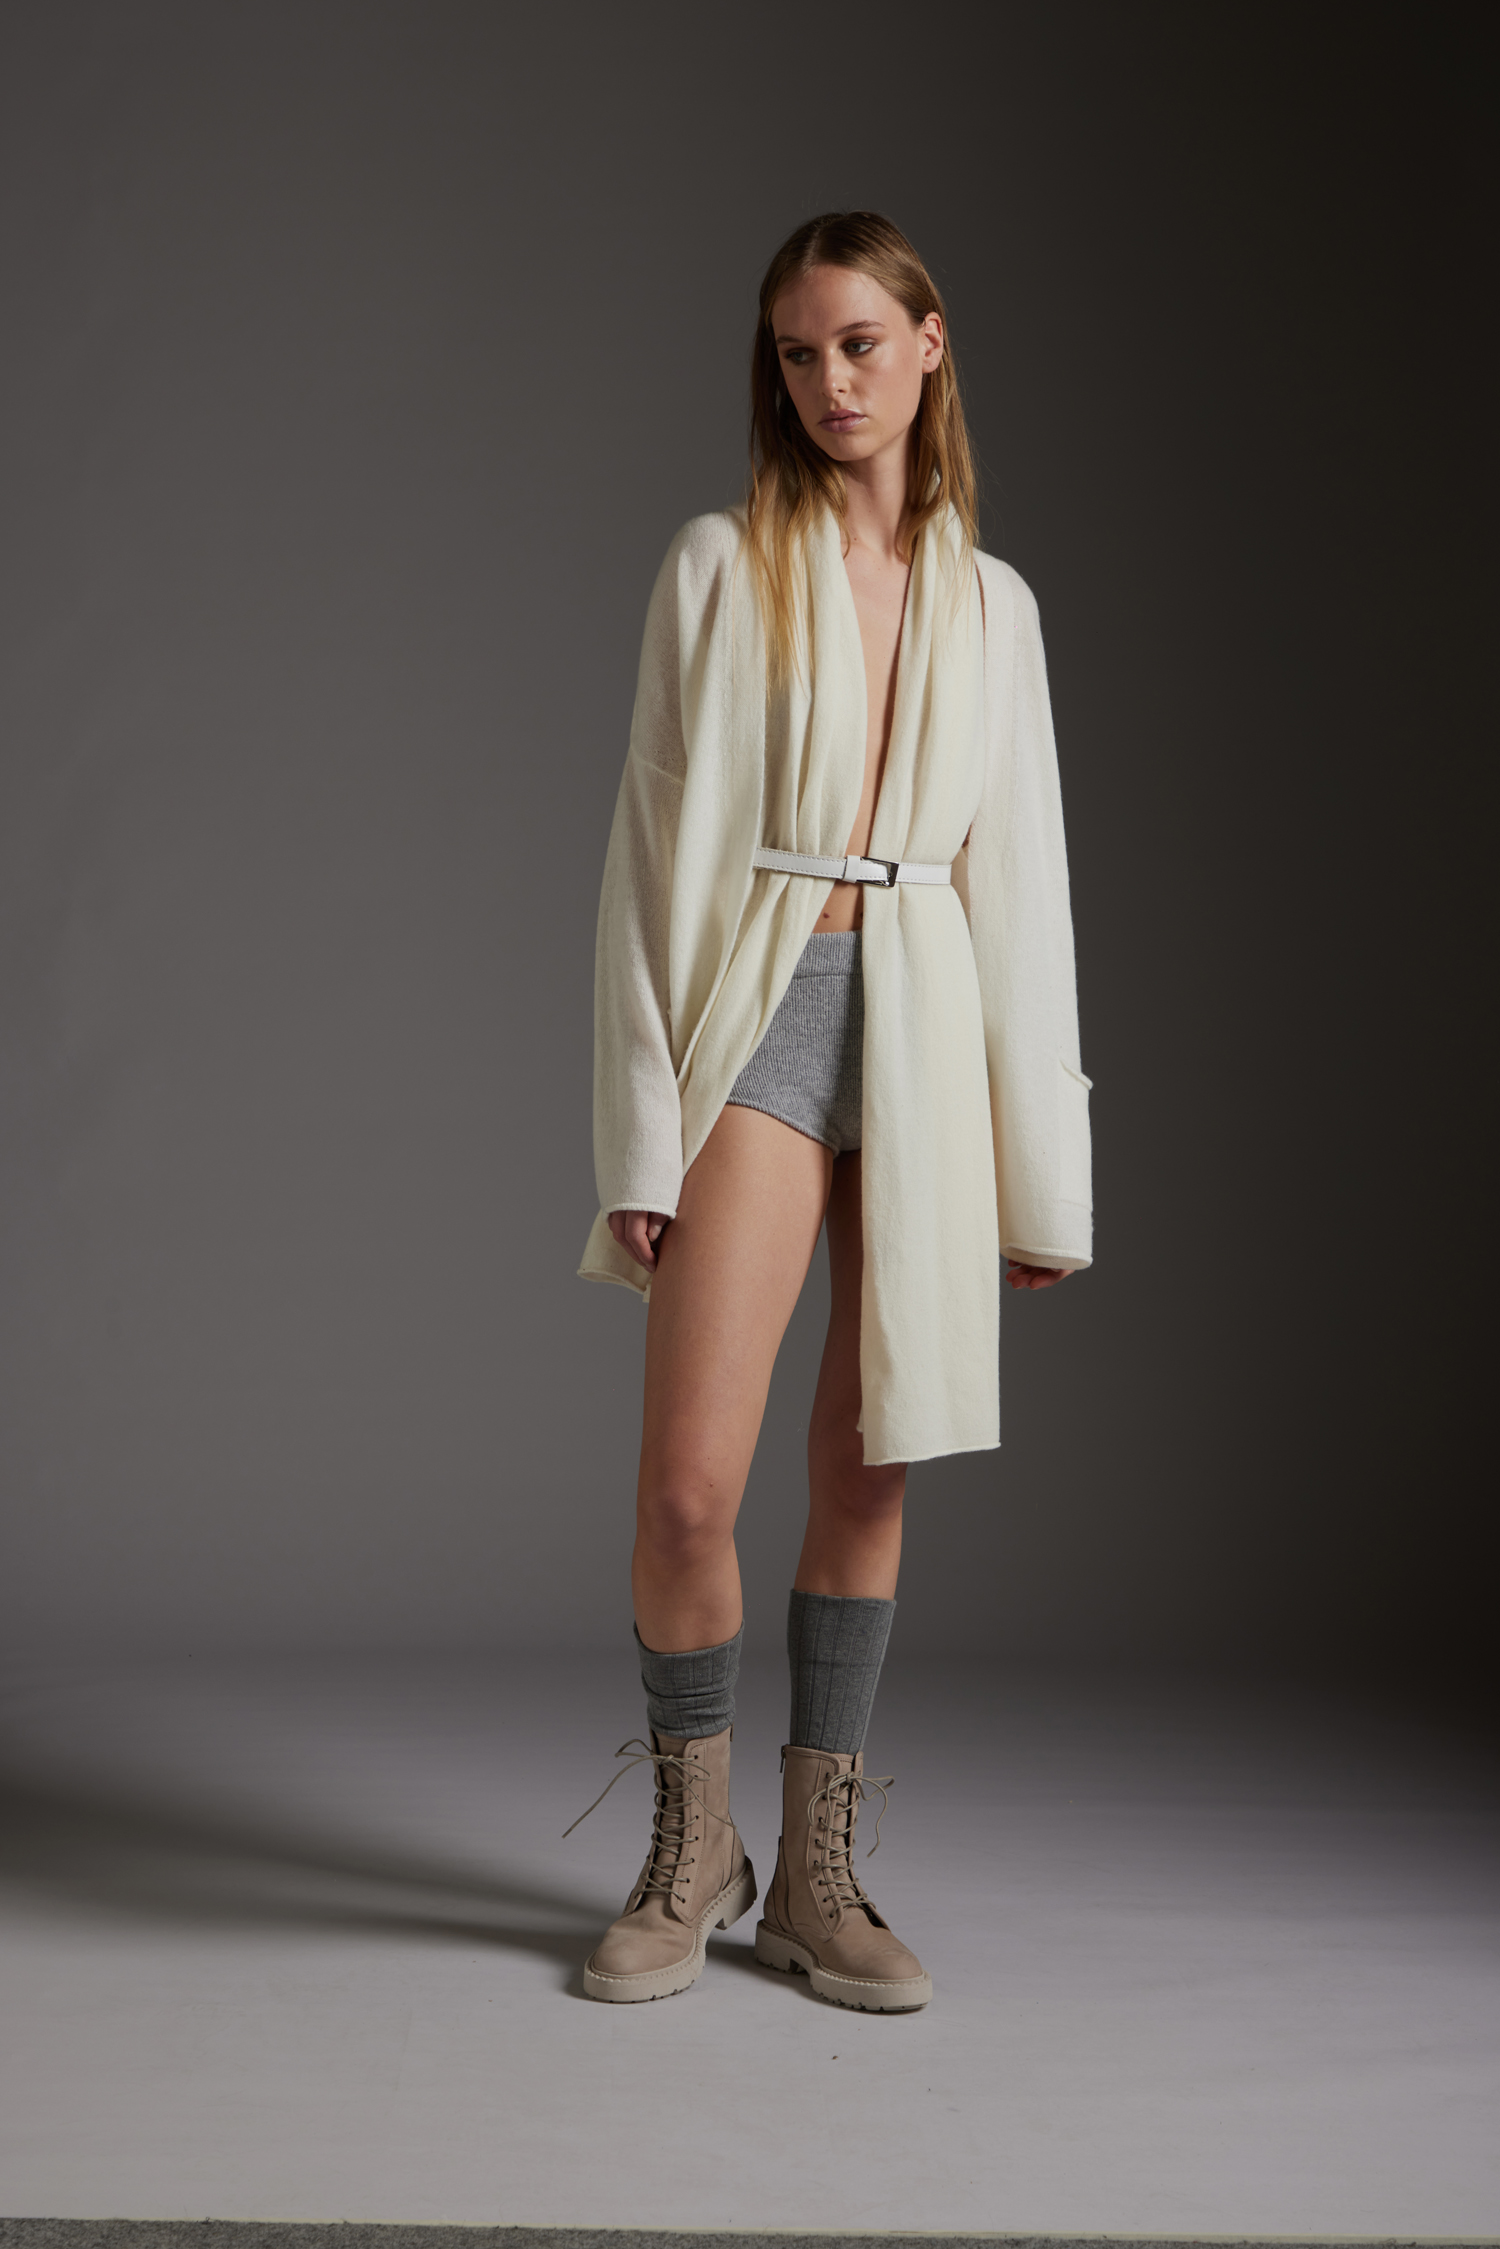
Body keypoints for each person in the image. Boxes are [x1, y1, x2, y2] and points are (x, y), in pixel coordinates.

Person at [573, 211, 1092, 2011]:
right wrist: (642, 1134)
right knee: (689, 1487)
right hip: (767, 1004)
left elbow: (1025, 888)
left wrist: (1043, 1177)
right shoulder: (721, 565)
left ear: (929, 344)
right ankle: (691, 1844)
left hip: (927, 1026)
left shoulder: (995, 604)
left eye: (860, 343)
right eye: (798, 353)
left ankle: (813, 1874)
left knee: (870, 1464)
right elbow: (649, 857)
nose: (830, 381)